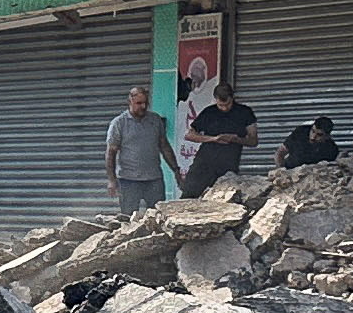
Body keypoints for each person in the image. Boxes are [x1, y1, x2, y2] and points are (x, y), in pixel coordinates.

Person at [104, 90, 179, 221]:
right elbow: (111, 153)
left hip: (154, 179)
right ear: (130, 102)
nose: (143, 107)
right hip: (129, 180)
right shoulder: (119, 123)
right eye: (139, 103)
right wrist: (112, 179)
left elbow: (164, 146)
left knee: (158, 218)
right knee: (128, 219)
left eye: (145, 103)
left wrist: (176, 171)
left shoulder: (155, 120)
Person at [181, 79, 260, 195]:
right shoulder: (209, 112)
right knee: (189, 197)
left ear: (232, 98)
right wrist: (213, 139)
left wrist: (236, 139)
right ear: (215, 99)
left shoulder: (244, 112)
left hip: (228, 165)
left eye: (227, 105)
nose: (224, 108)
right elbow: (189, 135)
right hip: (204, 163)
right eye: (220, 105)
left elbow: (254, 141)